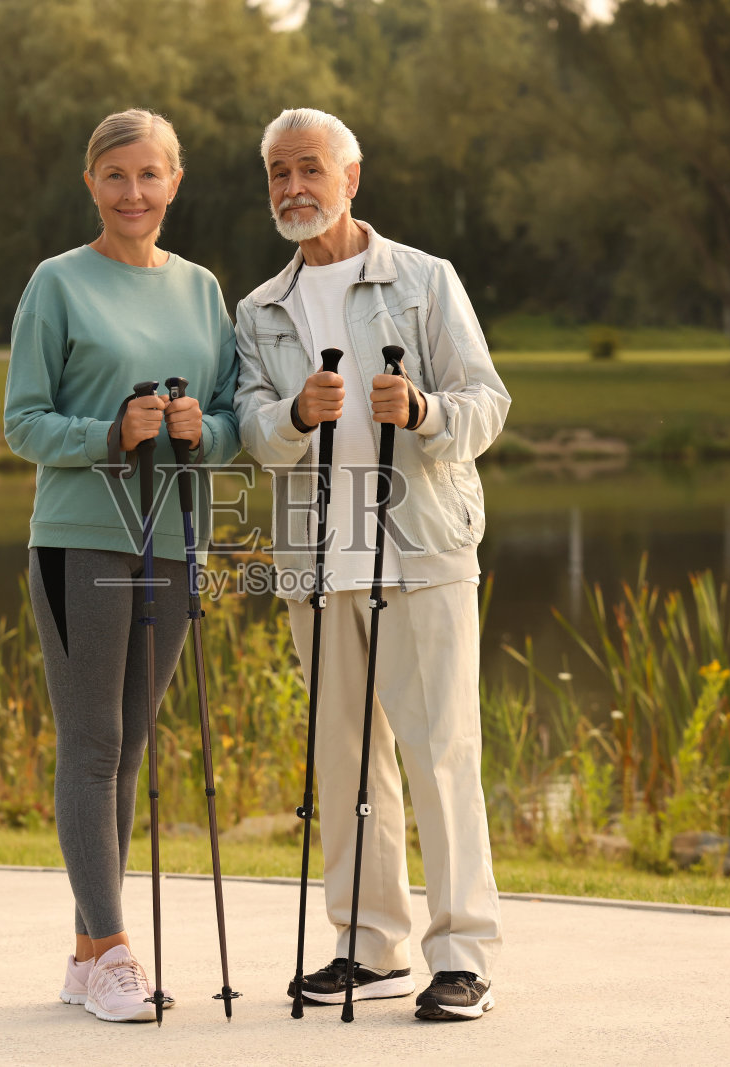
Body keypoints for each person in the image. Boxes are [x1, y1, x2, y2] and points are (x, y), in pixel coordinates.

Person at [234, 108, 510, 1021]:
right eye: (278, 172)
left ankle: (463, 951)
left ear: (352, 177)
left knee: (441, 752)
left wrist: (425, 409)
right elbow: (254, 434)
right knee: (344, 760)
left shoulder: (426, 280)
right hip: (316, 560)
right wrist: (295, 416)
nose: (293, 188)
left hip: (422, 552)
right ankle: (368, 942)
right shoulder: (260, 308)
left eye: (309, 168)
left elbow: (487, 403)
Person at [3, 108, 240, 1024]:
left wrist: (198, 429)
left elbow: (226, 417)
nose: (133, 193)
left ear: (174, 182)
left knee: (131, 748)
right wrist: (110, 432)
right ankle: (113, 952)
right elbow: (22, 422)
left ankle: (83, 954)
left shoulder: (202, 290)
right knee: (92, 742)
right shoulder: (56, 284)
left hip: (174, 540)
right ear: (91, 184)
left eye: (149, 175)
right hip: (78, 539)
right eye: (115, 176)